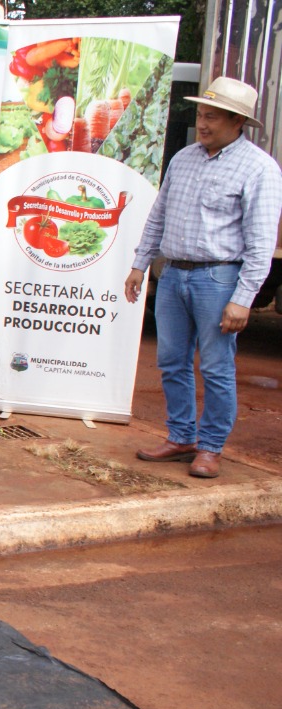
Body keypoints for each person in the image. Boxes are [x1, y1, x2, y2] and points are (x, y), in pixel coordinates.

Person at [125, 76, 282, 478]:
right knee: (171, 361)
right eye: (201, 114)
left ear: (237, 121)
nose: (203, 123)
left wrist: (243, 298)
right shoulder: (184, 158)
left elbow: (261, 243)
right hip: (174, 275)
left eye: (212, 117)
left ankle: (210, 448)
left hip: (219, 279)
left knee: (215, 367)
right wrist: (140, 264)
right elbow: (158, 216)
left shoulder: (260, 169)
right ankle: (181, 437)